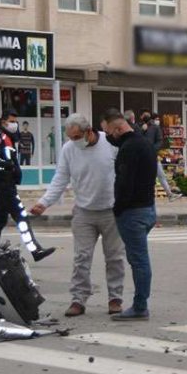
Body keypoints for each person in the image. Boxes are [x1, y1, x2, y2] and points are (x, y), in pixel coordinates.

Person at [30, 114, 125, 318]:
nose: (74, 141)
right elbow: (60, 178)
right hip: (83, 212)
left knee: (115, 257)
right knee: (81, 258)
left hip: (111, 211)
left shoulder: (110, 144)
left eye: (76, 137)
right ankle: (78, 300)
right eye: (70, 137)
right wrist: (44, 202)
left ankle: (115, 298)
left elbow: (124, 172)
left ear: (88, 131)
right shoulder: (68, 150)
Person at [102, 108, 159, 321]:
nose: (108, 137)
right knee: (140, 258)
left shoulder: (129, 148)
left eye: (108, 132)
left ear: (118, 128)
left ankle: (140, 306)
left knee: (139, 260)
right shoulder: (143, 143)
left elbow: (125, 183)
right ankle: (140, 304)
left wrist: (119, 209)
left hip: (133, 211)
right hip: (147, 207)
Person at [0, 113, 55, 261]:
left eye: (16, 121)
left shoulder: (8, 138)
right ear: (4, 122)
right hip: (4, 184)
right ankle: (35, 250)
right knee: (21, 216)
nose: (15, 124)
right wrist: (7, 166)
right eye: (12, 121)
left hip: (7, 183)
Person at [140, 110, 179, 200]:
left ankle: (170, 194)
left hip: (152, 156)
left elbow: (159, 141)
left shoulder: (155, 128)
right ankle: (144, 196)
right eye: (156, 119)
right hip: (142, 157)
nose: (157, 121)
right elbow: (136, 138)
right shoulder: (140, 127)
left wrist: (153, 149)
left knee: (160, 175)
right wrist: (142, 130)